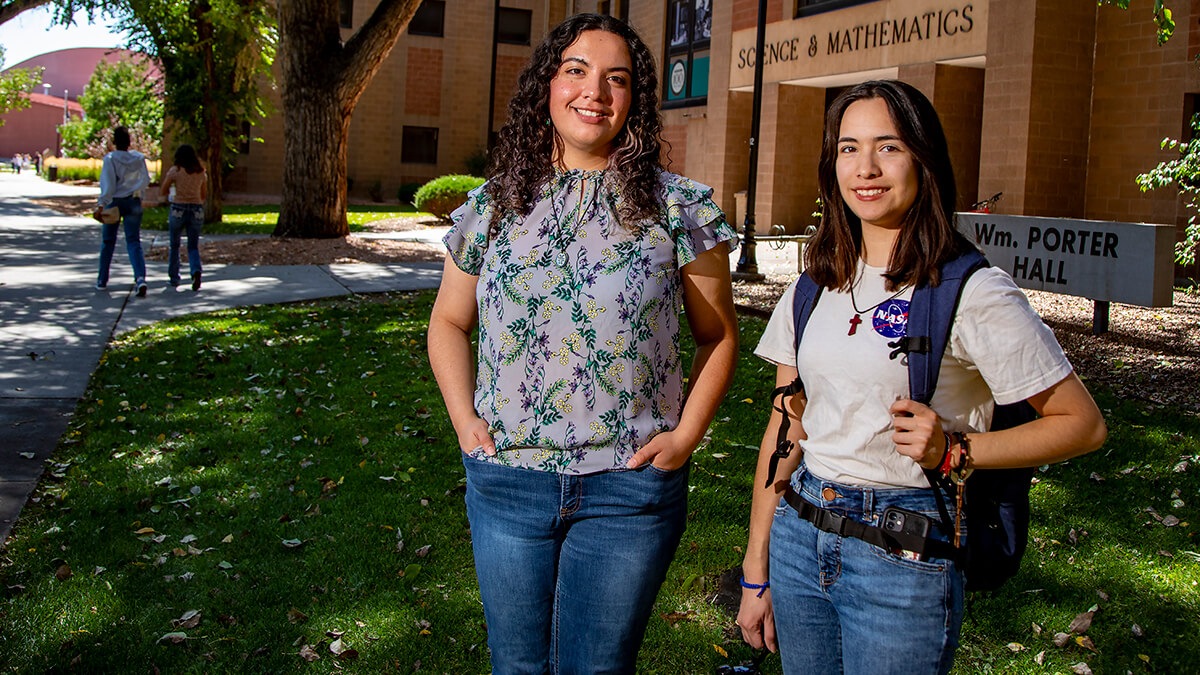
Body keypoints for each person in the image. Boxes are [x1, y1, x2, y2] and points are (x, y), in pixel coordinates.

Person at [736, 80, 1107, 674]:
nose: (866, 168)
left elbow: (1083, 425)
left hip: (903, 551)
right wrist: (758, 565)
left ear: (923, 160)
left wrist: (958, 450)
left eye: (889, 147)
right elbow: (785, 423)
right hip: (800, 535)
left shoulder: (971, 291)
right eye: (849, 148)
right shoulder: (815, 283)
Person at [427, 13, 739, 674]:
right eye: (576, 71)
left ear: (634, 100)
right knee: (515, 665)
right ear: (547, 84)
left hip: (628, 489)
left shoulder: (678, 207)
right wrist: (464, 419)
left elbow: (718, 337)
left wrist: (682, 440)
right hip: (509, 478)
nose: (594, 91)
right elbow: (448, 322)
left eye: (615, 78)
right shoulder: (493, 205)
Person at [93, 126, 151, 296]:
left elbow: (108, 185)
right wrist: (139, 195)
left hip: (114, 202)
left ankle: (102, 279)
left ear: (114, 141)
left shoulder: (110, 159)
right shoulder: (139, 159)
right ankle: (140, 277)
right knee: (134, 241)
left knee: (108, 242)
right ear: (129, 141)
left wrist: (101, 204)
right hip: (133, 201)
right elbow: (145, 179)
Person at [159, 144, 207, 290]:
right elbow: (203, 195)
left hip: (178, 207)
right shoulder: (201, 173)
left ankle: (174, 277)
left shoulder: (175, 171)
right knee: (193, 245)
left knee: (175, 244)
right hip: (196, 208)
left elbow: (163, 189)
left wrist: (171, 193)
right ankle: (195, 270)